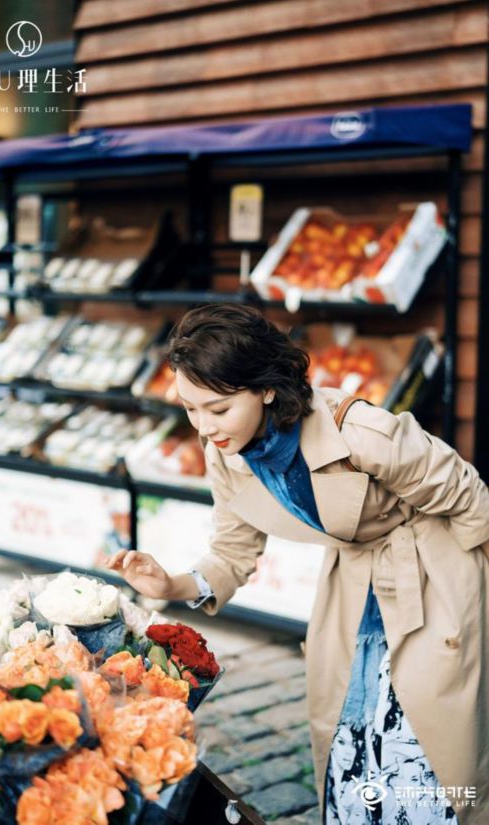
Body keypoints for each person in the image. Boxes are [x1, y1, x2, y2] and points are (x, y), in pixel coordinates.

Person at [108, 304, 489, 825]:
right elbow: (232, 551)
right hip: (352, 589)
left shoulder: (358, 430)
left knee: (429, 744)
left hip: (434, 573)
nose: (204, 427)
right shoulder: (227, 452)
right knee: (347, 737)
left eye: (217, 409)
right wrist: (171, 582)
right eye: (190, 409)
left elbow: (470, 497)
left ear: (265, 388)